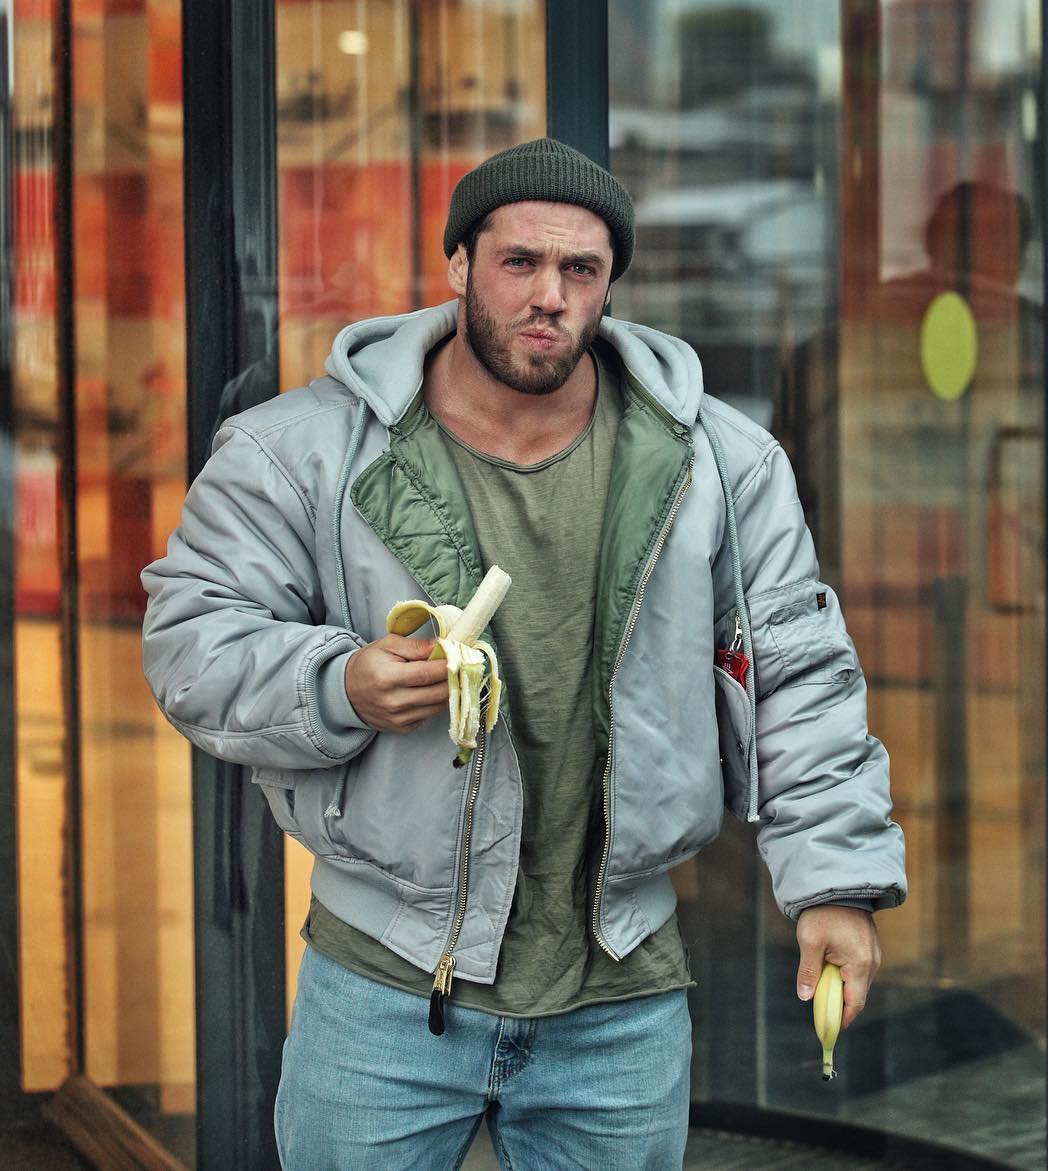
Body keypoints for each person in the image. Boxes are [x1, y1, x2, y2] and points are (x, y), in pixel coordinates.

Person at [142, 138, 906, 1170]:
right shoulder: (298, 450)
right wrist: (338, 683)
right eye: (520, 262)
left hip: (621, 997)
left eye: (580, 269)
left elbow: (799, 678)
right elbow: (192, 639)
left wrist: (836, 884)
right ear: (459, 263)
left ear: (609, 285)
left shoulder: (720, 464)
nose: (550, 295)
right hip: (384, 986)